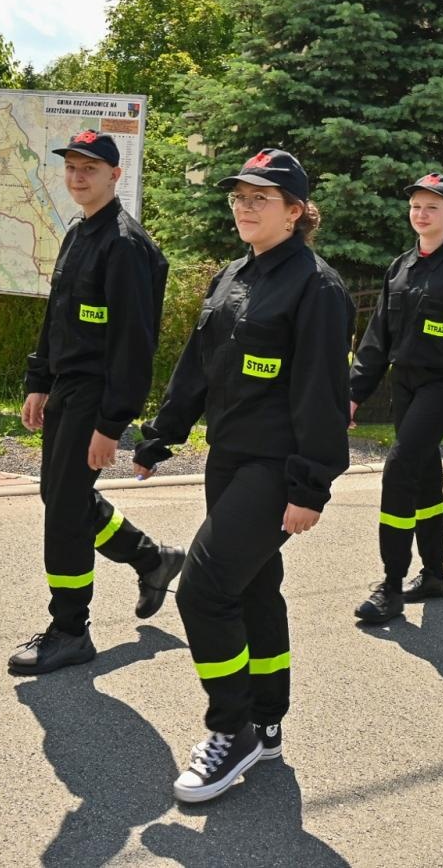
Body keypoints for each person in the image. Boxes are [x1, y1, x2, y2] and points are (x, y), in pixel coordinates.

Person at [133, 149, 351, 804]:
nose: (245, 206)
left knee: (203, 590)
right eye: (239, 196)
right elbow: (196, 369)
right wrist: (161, 436)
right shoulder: (230, 276)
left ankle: (230, 730)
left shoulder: (317, 287)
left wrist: (310, 485)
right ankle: (267, 718)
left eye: (261, 197)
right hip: (228, 457)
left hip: (276, 466)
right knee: (255, 589)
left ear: (295, 210)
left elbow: (320, 392)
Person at [11, 129, 184, 675]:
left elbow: (135, 345)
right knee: (60, 498)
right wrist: (38, 380)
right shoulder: (78, 232)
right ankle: (152, 558)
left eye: (90, 167)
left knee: (64, 508)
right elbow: (55, 316)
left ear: (116, 175)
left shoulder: (127, 246)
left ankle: (70, 629)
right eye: (71, 167)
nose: (78, 175)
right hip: (65, 387)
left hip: (95, 394)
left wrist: (112, 423)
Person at [348, 172, 443, 622]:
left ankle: (390, 584)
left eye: (432, 206)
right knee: (426, 477)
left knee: (400, 469)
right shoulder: (401, 267)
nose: (421, 213)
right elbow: (376, 339)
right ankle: (434, 572)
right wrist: (353, 394)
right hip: (406, 384)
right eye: (415, 206)